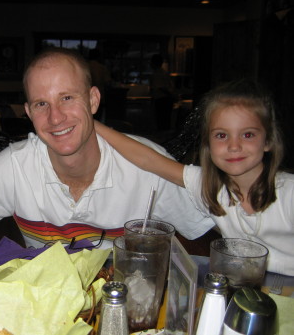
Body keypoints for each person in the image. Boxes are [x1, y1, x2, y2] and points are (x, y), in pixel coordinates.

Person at [0, 47, 214, 251]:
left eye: (67, 97)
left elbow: (207, 239)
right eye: (42, 104)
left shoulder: (148, 168)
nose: (55, 117)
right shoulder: (13, 167)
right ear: (29, 112)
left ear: (93, 100)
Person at [95, 79, 294, 275]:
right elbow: (149, 160)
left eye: (248, 135)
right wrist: (91, 123)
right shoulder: (208, 186)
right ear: (208, 145)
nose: (234, 146)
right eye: (222, 135)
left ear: (268, 141)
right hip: (250, 291)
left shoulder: (289, 193)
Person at [150, 54, 176, 132]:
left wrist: (170, 95)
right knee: (165, 120)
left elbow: (161, 88)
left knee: (162, 121)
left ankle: (162, 137)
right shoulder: (164, 73)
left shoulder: (158, 74)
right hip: (165, 99)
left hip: (162, 99)